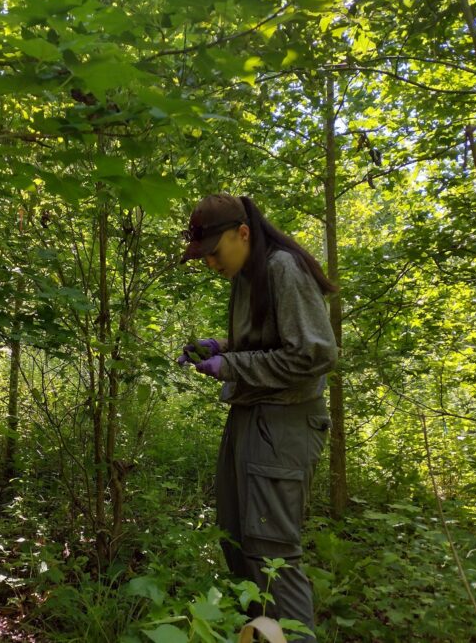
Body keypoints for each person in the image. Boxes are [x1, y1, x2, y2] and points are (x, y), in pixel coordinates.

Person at [177, 194, 338, 641]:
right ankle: (259, 635)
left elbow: (314, 355)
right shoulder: (246, 276)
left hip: (285, 423)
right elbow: (266, 344)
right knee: (236, 538)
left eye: (214, 252)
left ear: (242, 233)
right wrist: (221, 348)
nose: (211, 263)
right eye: (203, 256)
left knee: (273, 555)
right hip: (251, 414)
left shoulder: (283, 268)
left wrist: (233, 366)